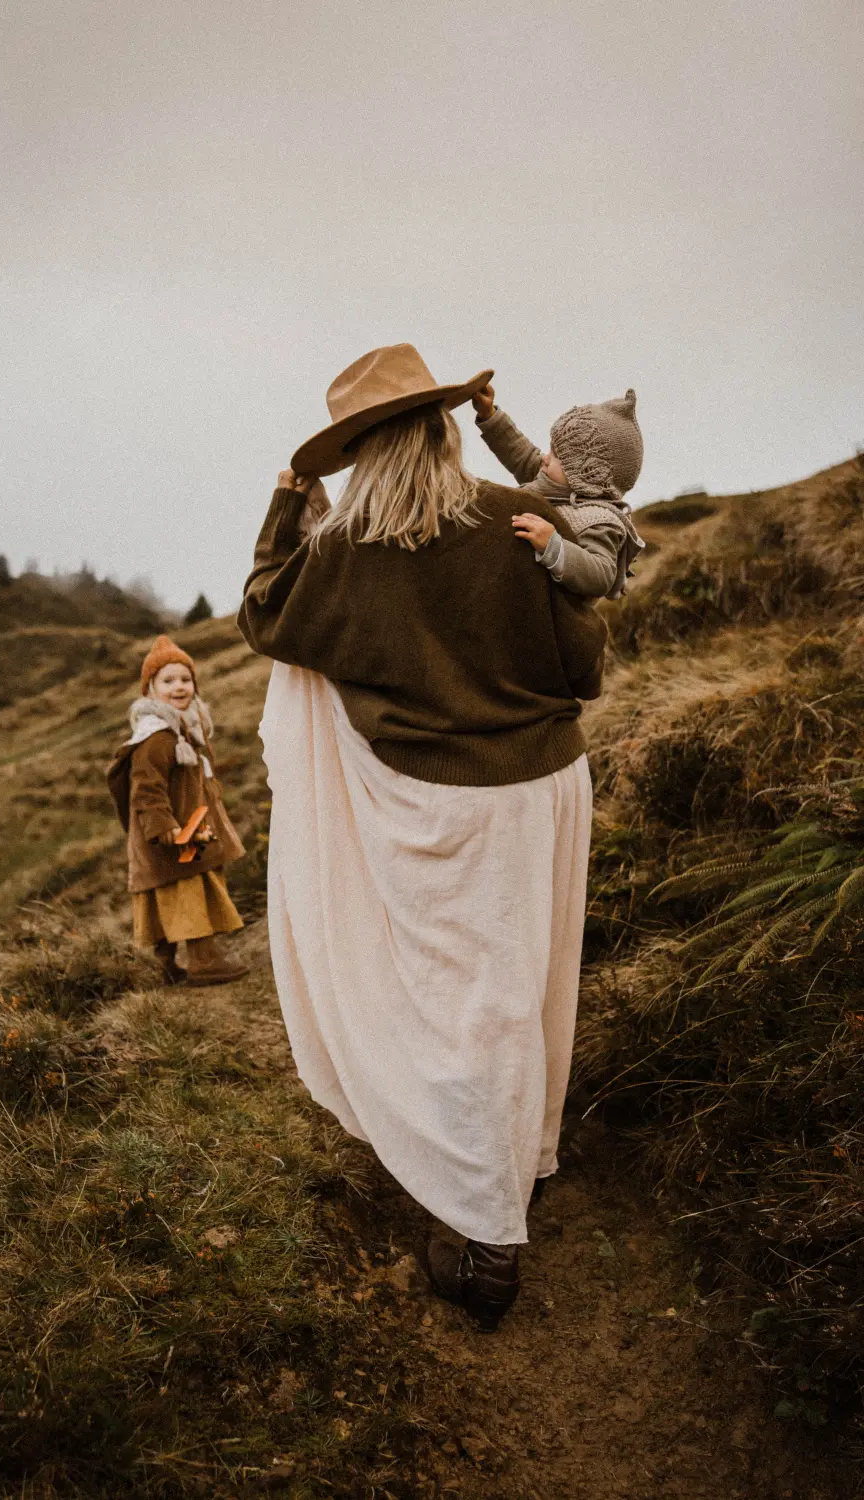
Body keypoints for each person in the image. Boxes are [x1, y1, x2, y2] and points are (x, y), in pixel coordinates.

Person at [239, 343, 608, 1332]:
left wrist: (287, 497)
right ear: (445, 429)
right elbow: (584, 671)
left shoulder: (342, 552)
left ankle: (489, 1241)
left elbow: (264, 614)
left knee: (459, 1006)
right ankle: (513, 1164)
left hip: (440, 804)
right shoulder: (518, 521)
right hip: (546, 784)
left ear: (359, 454)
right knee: (519, 984)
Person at [107, 635, 249, 987]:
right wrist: (163, 826)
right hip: (172, 836)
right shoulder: (156, 737)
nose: (179, 687)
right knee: (189, 896)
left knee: (171, 897)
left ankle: (167, 966)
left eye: (185, 679)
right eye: (168, 681)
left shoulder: (185, 730)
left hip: (191, 830)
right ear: (150, 690)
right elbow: (146, 789)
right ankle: (204, 963)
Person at [473, 381, 645, 599]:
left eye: (556, 455)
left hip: (554, 619)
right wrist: (490, 415)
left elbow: (602, 575)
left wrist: (553, 546)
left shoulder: (598, 520)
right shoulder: (555, 481)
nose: (545, 458)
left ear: (583, 474)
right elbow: (521, 455)